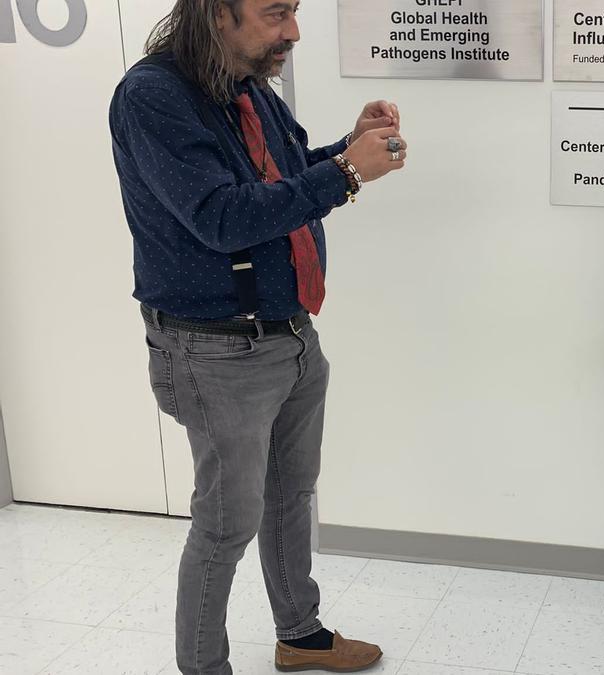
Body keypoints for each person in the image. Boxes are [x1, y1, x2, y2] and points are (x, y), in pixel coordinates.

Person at [108, 1, 406, 672]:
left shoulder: (246, 85)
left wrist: (349, 149)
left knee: (291, 498)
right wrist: (347, 172)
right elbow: (221, 217)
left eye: (293, 12)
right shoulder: (152, 96)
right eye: (276, 14)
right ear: (218, 12)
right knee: (225, 525)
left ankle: (299, 635)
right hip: (215, 350)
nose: (292, 32)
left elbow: (287, 181)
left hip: (290, 333)